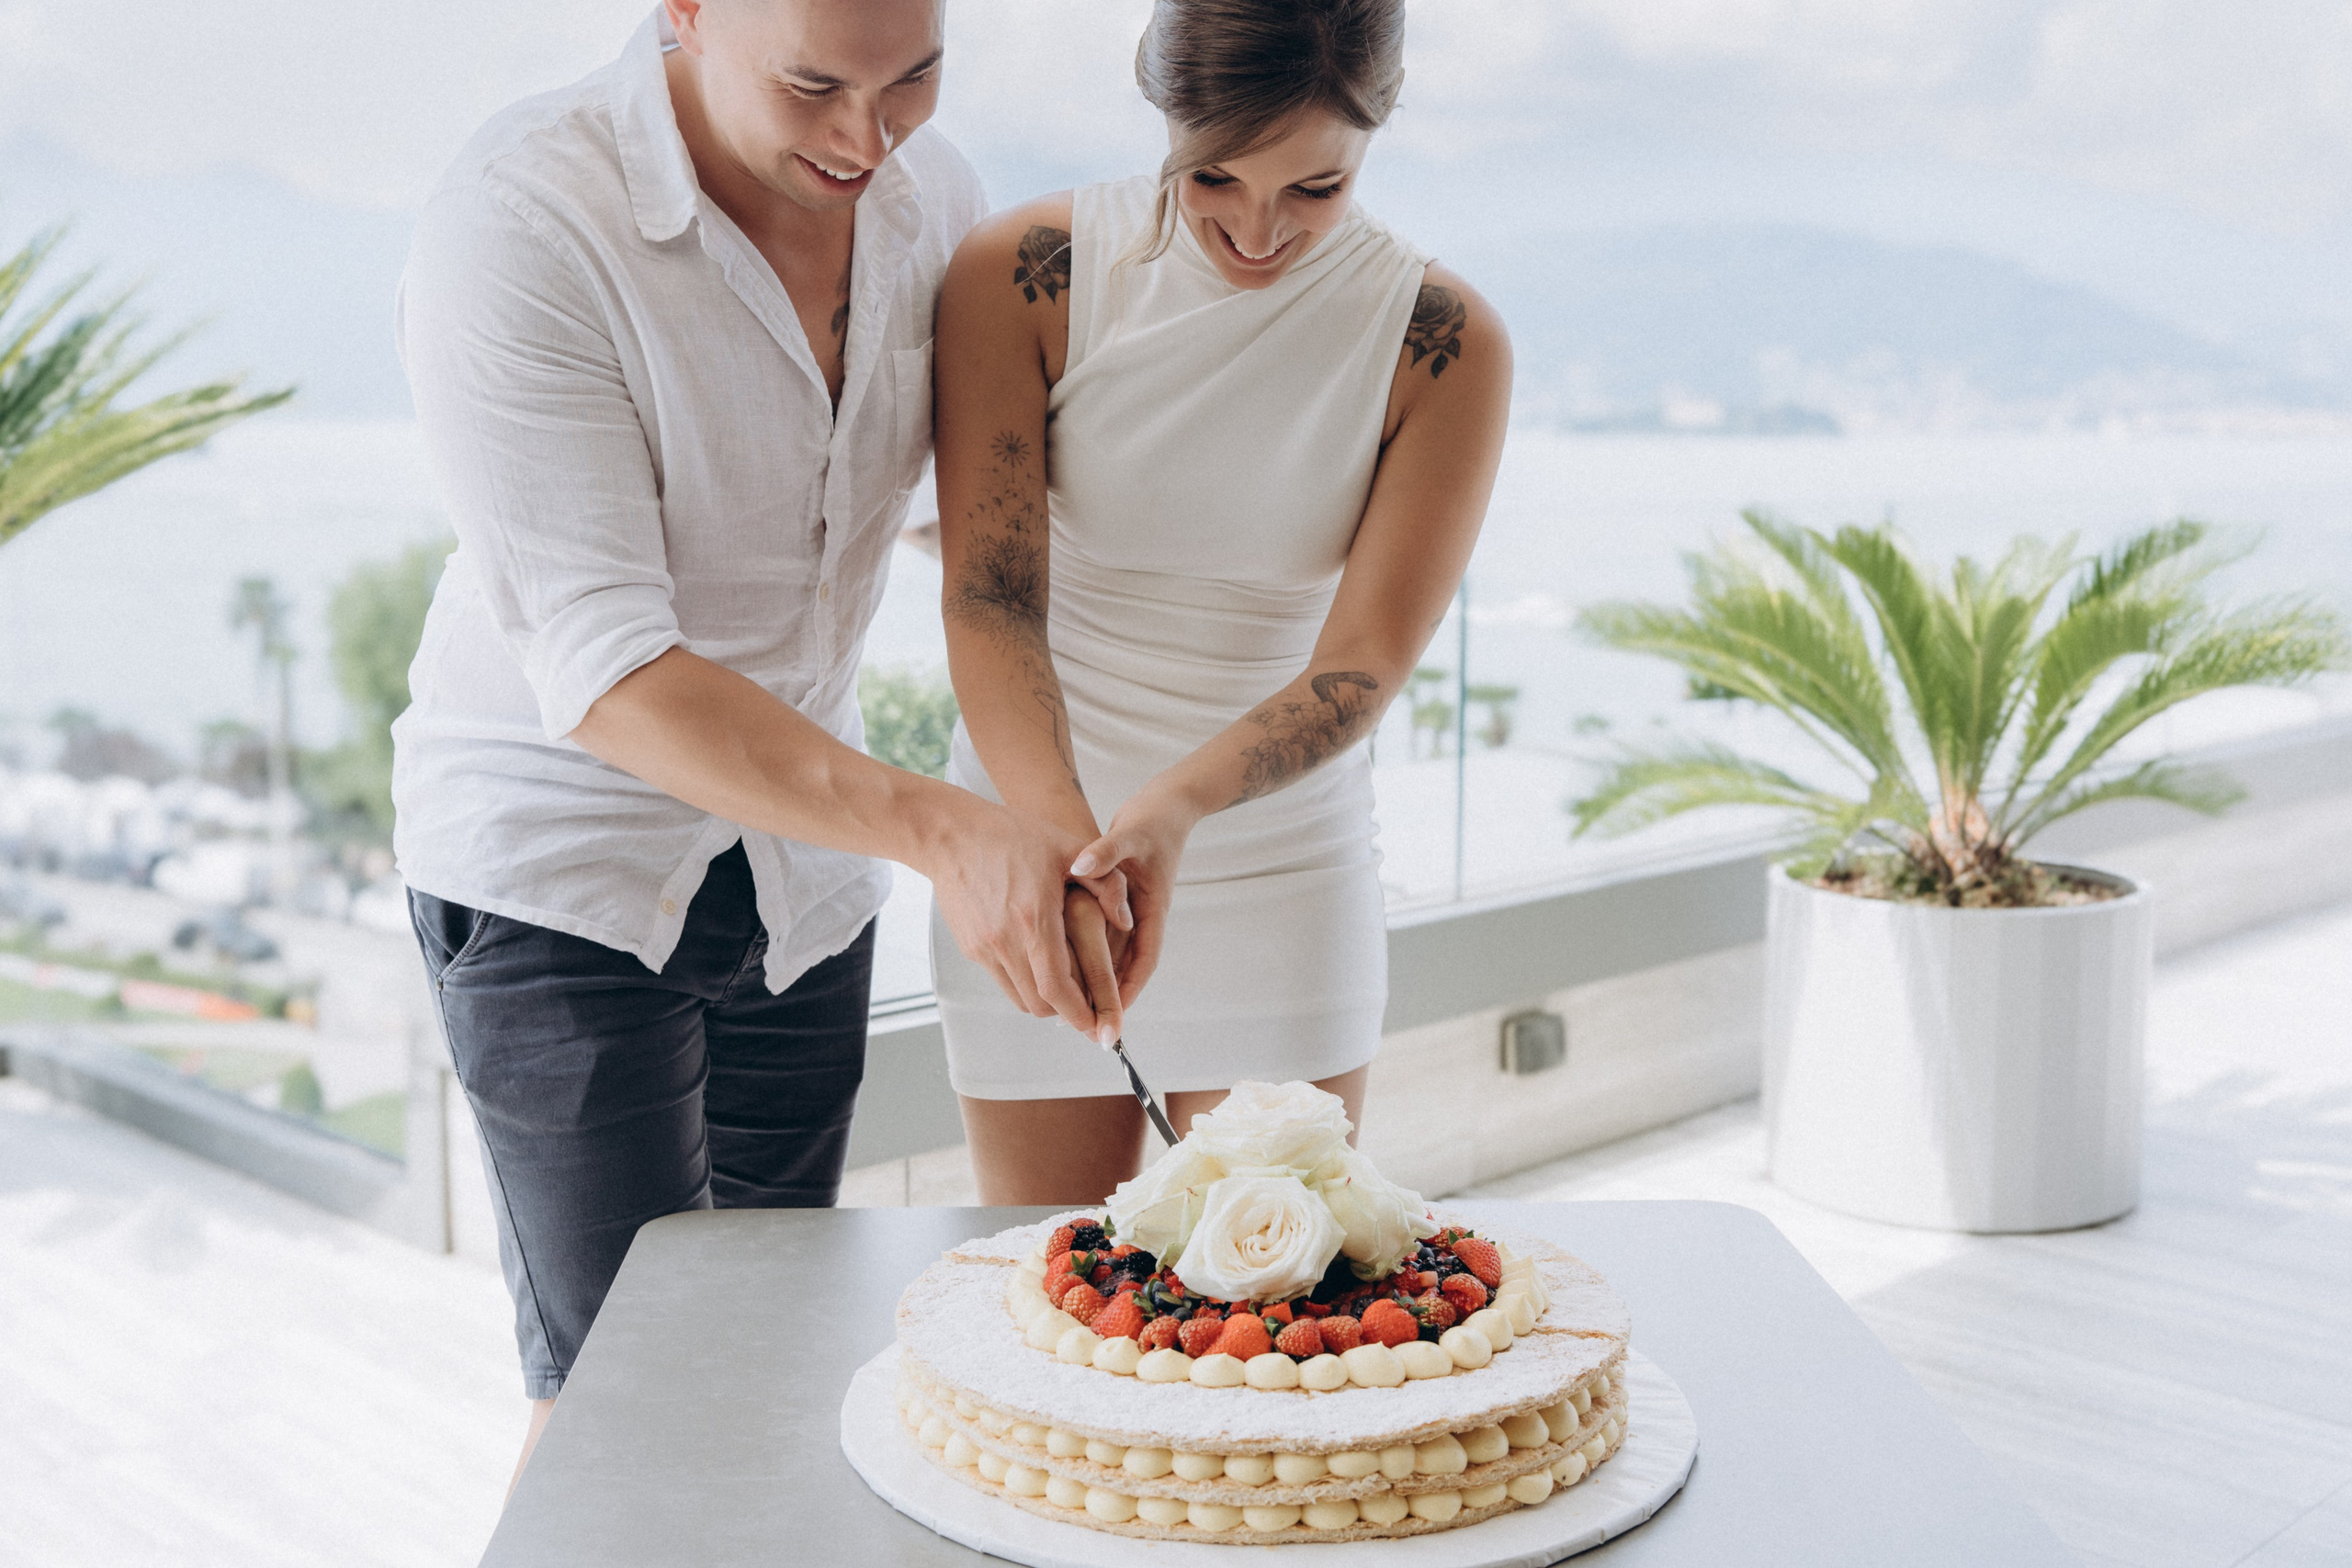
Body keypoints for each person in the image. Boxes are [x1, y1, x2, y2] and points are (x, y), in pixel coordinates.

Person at [392, 0, 1125, 1489]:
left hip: (802, 879)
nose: (867, 137)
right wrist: (946, 831)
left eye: (914, 76)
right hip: (563, 871)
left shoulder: (936, 199)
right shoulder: (523, 218)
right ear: (684, 10)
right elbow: (610, 670)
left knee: (765, 1357)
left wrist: (1070, 810)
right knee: (622, 1405)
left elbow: (973, 541)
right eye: (813, 86)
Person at [930, 0, 1511, 1202]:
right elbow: (991, 602)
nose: (1257, 231)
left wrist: (1174, 807)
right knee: (1042, 1279)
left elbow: (1360, 665)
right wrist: (1068, 848)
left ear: (1377, 127)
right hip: (1037, 849)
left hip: (1283, 875)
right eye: (1214, 177)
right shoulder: (1023, 275)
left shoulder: (1442, 343)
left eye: (1316, 189)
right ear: (1166, 110)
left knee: (1274, 1291)